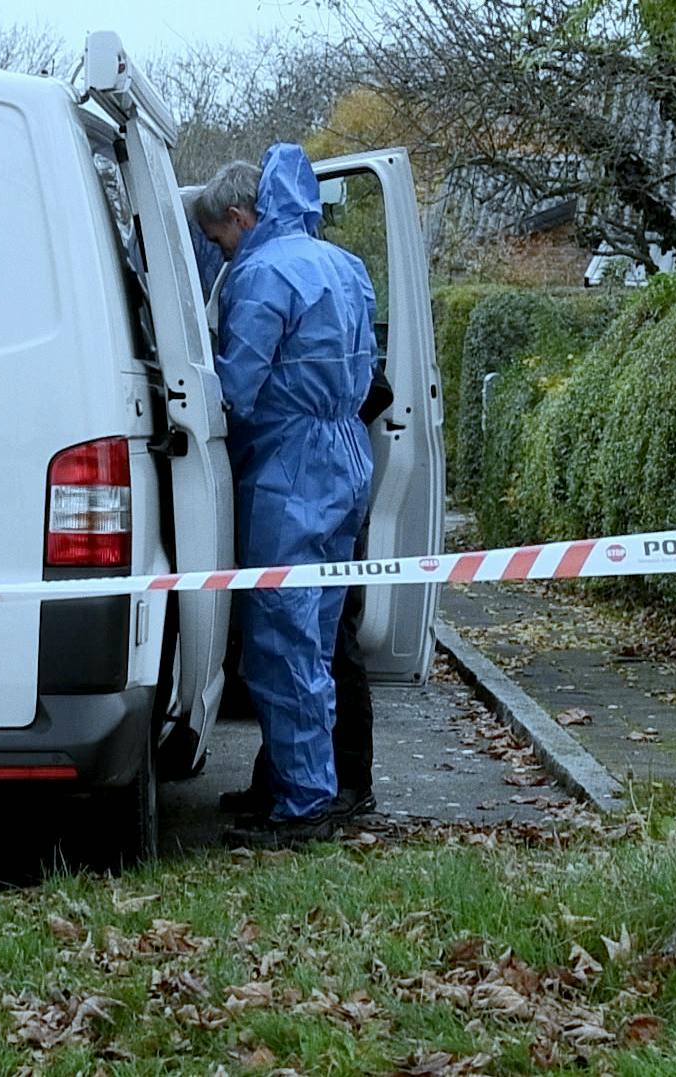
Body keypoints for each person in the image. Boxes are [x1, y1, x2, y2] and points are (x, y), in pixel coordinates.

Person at [190, 145, 377, 847]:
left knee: (280, 638)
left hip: (288, 467)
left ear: (241, 216)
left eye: (218, 240)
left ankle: (301, 804)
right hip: (347, 457)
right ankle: (294, 782)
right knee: (320, 633)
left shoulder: (262, 274)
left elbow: (235, 388)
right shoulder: (346, 266)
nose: (220, 253)